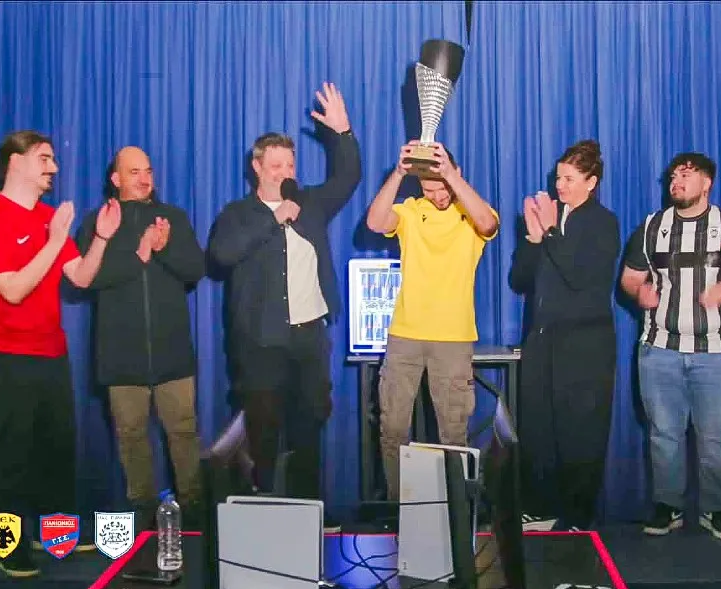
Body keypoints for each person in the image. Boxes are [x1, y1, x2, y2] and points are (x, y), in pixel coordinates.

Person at [207, 82, 360, 532]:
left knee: (310, 426)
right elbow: (220, 255)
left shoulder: (311, 203)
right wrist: (273, 220)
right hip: (261, 342)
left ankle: (311, 513)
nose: (284, 172)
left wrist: (342, 133)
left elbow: (348, 178)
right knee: (264, 430)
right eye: (275, 165)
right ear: (256, 167)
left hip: (309, 337)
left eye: (290, 165)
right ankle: (265, 518)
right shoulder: (238, 213)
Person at [0, 130, 121, 577]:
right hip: (6, 355)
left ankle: (54, 536)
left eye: (54, 159)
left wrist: (102, 238)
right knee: (13, 454)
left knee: (56, 450)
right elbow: (13, 290)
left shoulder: (49, 218)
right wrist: (54, 240)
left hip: (51, 351)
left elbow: (81, 277)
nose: (54, 167)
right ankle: (6, 546)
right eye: (44, 158)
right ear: (15, 162)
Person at [619, 152, 721, 540]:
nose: (676, 182)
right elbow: (629, 279)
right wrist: (639, 292)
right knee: (664, 435)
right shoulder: (652, 226)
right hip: (659, 349)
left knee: (715, 437)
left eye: (686, 175)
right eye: (673, 176)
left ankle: (716, 508)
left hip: (718, 352)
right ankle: (668, 505)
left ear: (707, 183)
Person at [76, 146, 206, 532]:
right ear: (116, 179)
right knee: (131, 436)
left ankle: (193, 510)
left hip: (173, 353)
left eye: (148, 170)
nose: (144, 178)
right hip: (121, 355)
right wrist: (140, 254)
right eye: (134, 172)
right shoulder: (99, 222)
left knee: (184, 433)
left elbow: (195, 270)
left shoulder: (174, 217)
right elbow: (90, 278)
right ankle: (145, 515)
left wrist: (164, 250)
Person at [365, 140, 499, 503]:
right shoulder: (411, 211)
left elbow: (488, 224)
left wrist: (451, 177)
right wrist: (398, 173)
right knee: (393, 429)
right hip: (404, 336)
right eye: (429, 189)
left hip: (453, 339)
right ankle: (399, 509)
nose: (437, 196)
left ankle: (456, 516)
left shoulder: (472, 212)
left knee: (453, 435)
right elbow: (375, 222)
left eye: (442, 188)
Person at [508, 140, 620, 532]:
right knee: (539, 428)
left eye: (570, 179)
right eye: (558, 177)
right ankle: (541, 507)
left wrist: (551, 230)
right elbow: (520, 280)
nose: (560, 185)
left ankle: (577, 516)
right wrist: (532, 238)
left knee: (580, 432)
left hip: (585, 345)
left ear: (592, 182)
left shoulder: (603, 223)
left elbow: (578, 275)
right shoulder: (550, 220)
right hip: (542, 341)